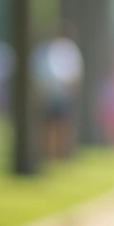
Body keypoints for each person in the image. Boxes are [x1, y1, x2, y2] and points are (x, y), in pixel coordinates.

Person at [31, 25, 83, 160]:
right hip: (48, 93)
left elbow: (75, 72)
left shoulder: (69, 49)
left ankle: (63, 153)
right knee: (48, 125)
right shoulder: (43, 49)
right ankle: (48, 153)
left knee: (63, 124)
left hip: (64, 93)